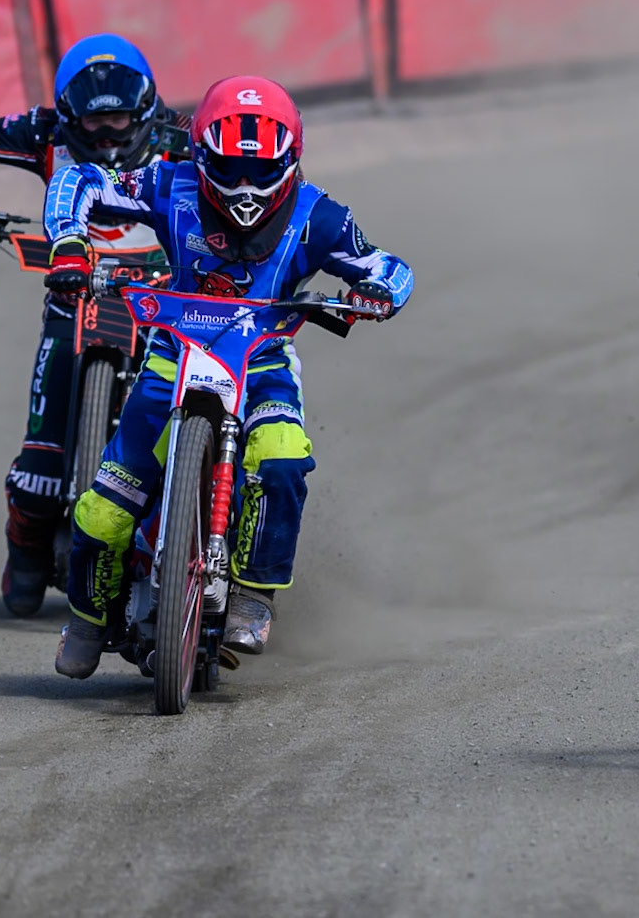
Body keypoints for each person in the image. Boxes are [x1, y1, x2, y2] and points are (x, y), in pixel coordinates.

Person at [40, 75, 414, 679]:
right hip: (170, 359)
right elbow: (78, 180)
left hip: (263, 364)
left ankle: (254, 593)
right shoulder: (169, 185)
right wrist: (69, 244)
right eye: (229, 169)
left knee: (283, 459)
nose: (244, 186)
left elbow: (390, 267)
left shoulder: (319, 215)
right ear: (199, 155)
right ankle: (87, 621)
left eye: (258, 170)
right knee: (102, 512)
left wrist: (377, 292)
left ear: (289, 159)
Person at [0, 33, 192, 617]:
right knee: (38, 476)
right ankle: (25, 550)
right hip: (73, 293)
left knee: (183, 445)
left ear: (145, 109)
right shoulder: (43, 133)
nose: (107, 136)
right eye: (93, 124)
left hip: (167, 305)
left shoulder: (186, 137)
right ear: (68, 117)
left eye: (119, 120)